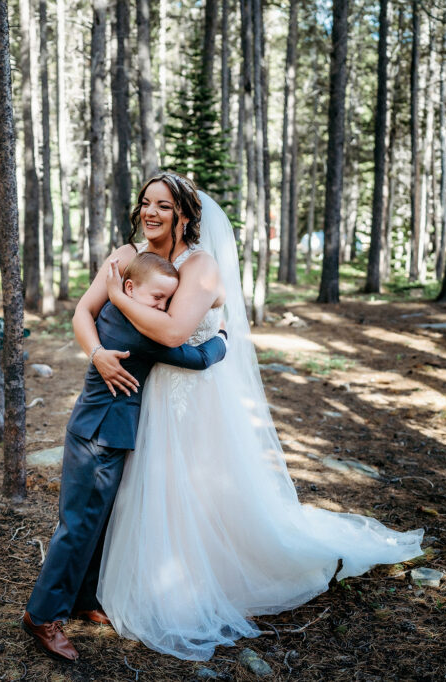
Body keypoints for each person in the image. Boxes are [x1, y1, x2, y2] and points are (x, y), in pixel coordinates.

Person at [72, 171, 423, 661]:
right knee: (137, 485)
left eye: (164, 206)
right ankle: (115, 578)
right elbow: (82, 313)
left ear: (186, 215)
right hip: (141, 392)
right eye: (146, 203)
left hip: (188, 399)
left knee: (186, 487)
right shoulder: (128, 257)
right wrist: (97, 354)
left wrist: (119, 297)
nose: (151, 213)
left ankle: (186, 580)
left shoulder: (201, 267)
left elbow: (173, 334)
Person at [23, 252, 230, 661]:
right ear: (130, 289)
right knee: (78, 526)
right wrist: (223, 335)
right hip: (97, 433)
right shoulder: (137, 330)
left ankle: (83, 599)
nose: (162, 309)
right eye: (157, 299)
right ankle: (41, 616)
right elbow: (199, 358)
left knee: (98, 522)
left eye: (168, 302)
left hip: (110, 432)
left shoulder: (130, 312)